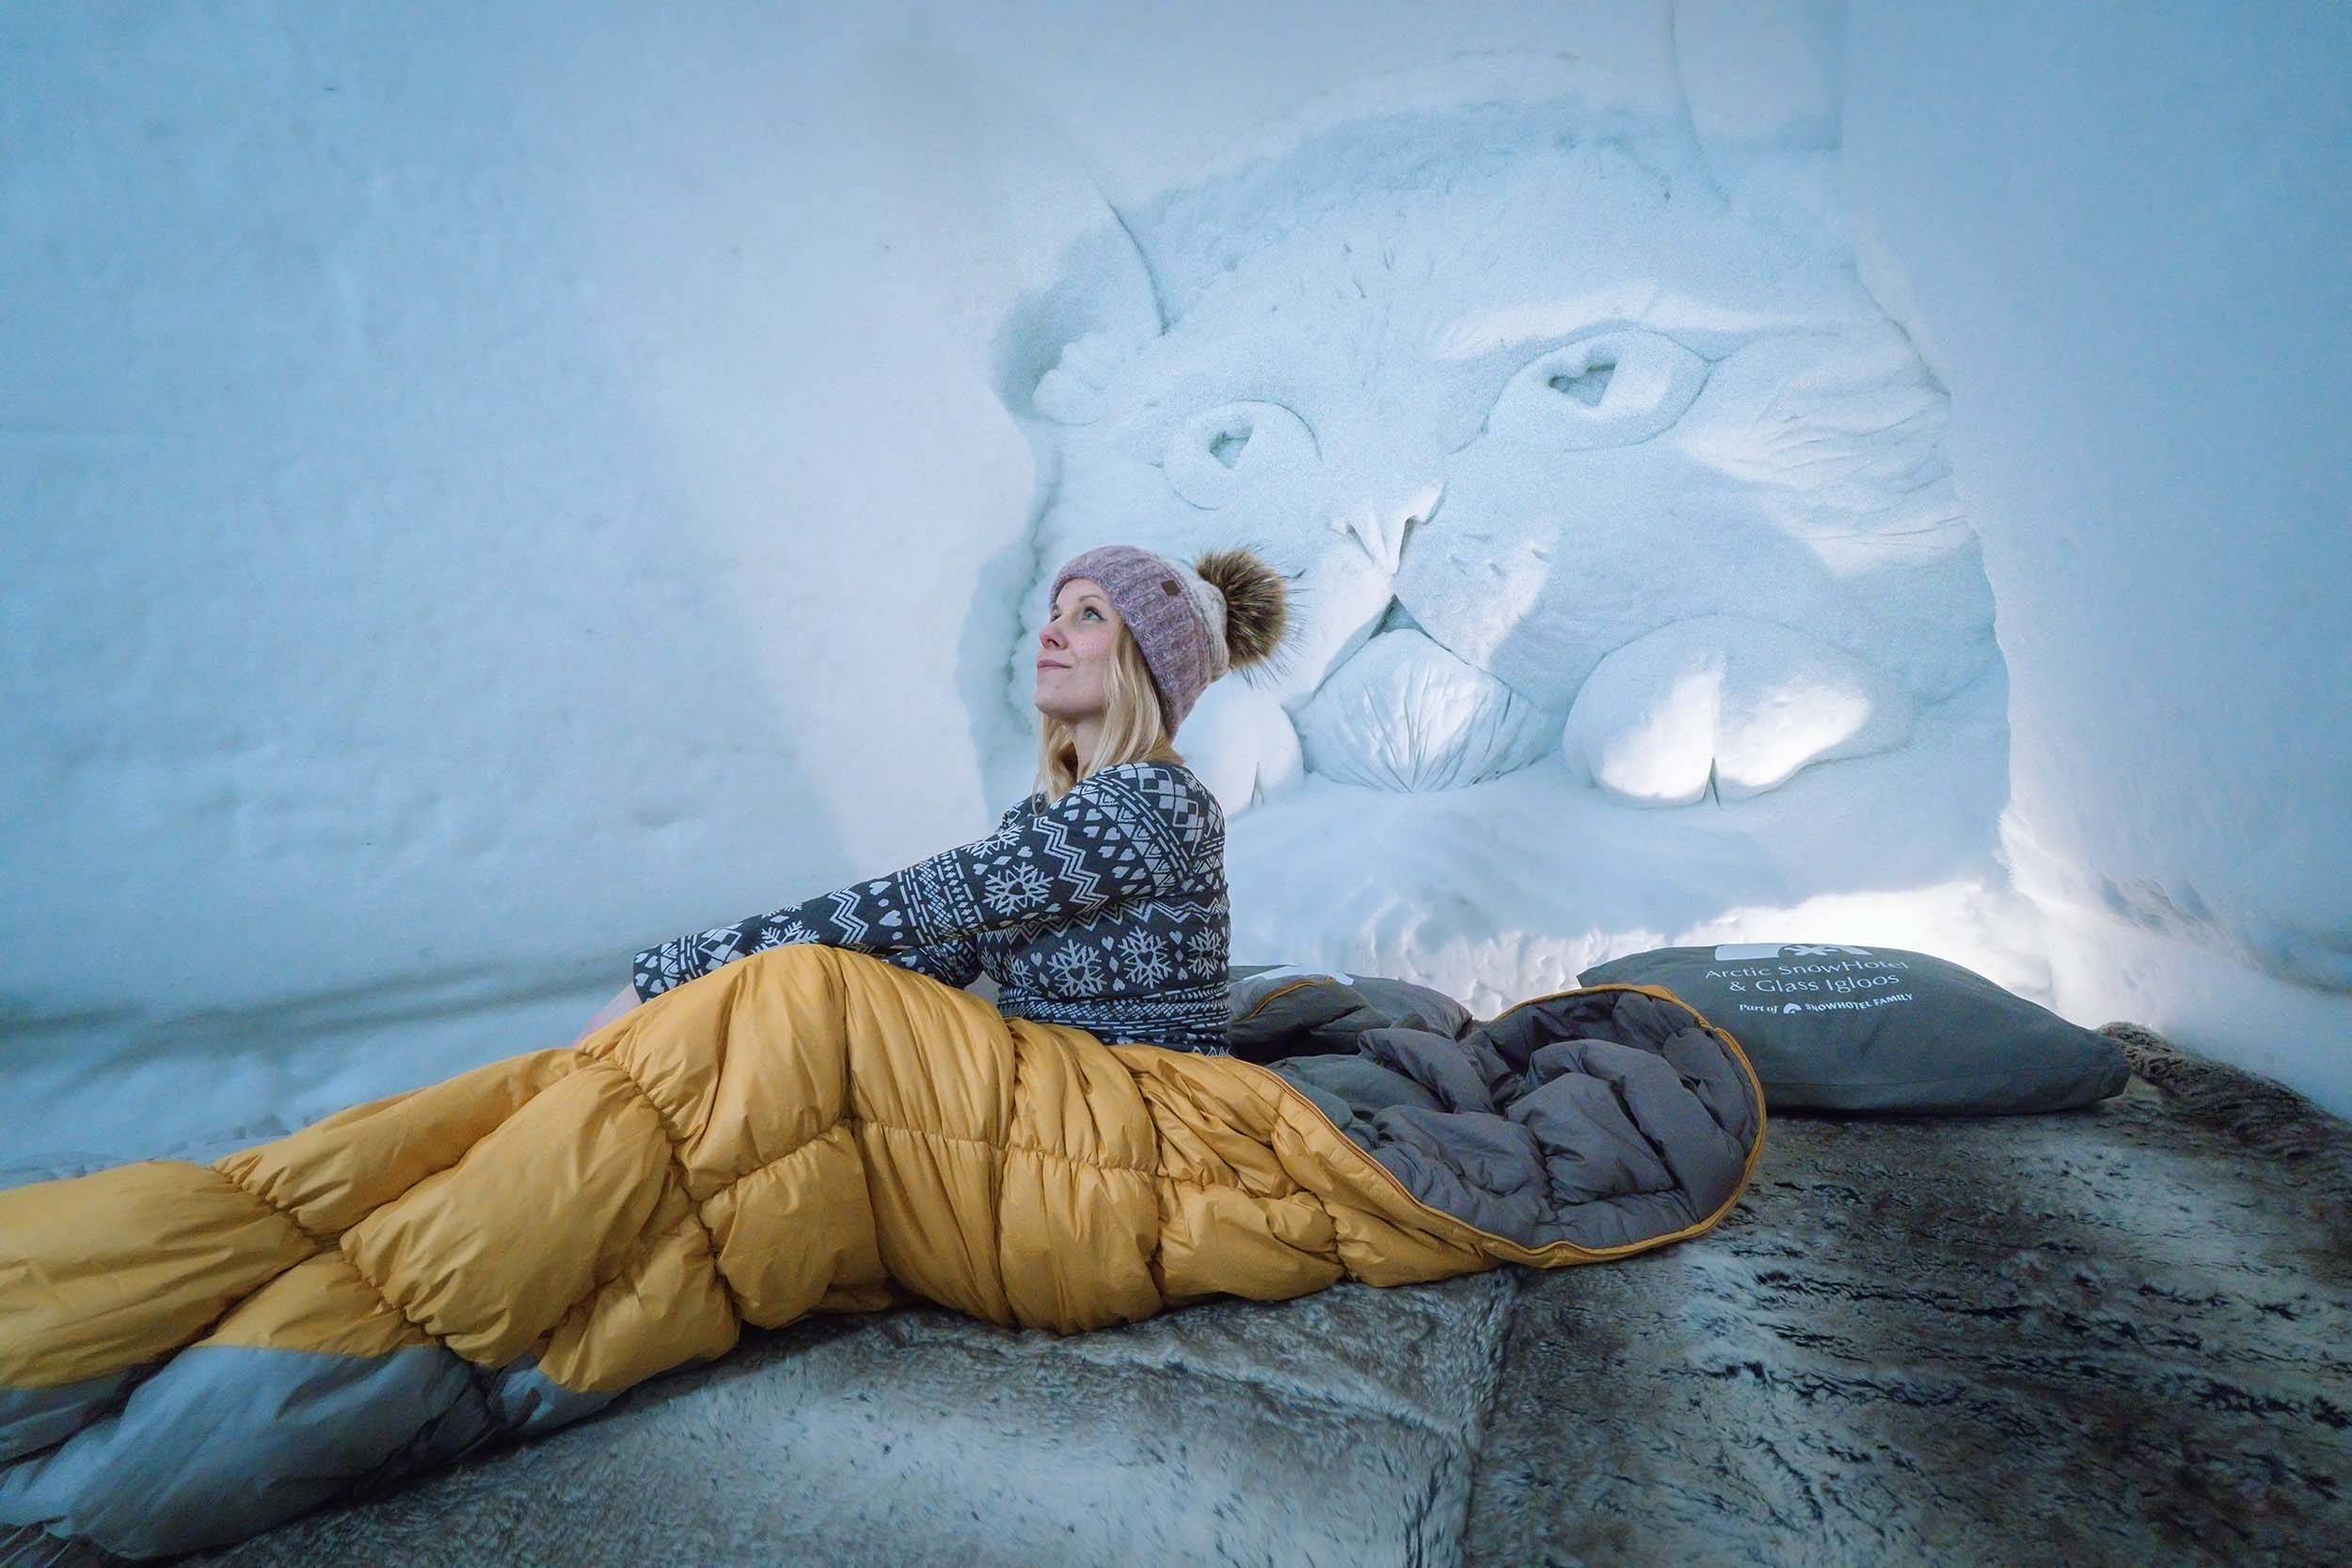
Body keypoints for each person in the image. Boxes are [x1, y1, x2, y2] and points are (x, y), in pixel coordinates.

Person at [572, 543, 1291, 1055]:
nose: (1050, 630)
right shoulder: (1046, 819)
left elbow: (914, 904)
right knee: (813, 990)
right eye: (1056, 610)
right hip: (1068, 1101)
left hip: (1143, 1117)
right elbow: (925, 949)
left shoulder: (1156, 803)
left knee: (808, 999)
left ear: (1149, 664)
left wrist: (665, 978)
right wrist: (735, 1001)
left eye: (1090, 614)